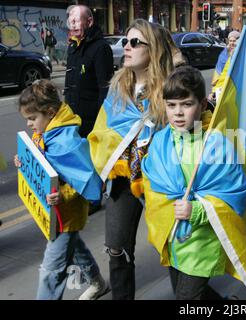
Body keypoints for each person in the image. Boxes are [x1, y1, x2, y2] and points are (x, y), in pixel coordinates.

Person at [141, 66, 246, 300]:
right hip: (172, 235)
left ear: (203, 105)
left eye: (186, 104)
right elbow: (153, 181)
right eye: (171, 105)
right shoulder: (161, 140)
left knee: (186, 298)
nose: (177, 113)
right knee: (187, 293)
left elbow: (236, 194)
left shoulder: (216, 145)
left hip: (203, 241)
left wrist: (197, 210)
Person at [88, 19, 174, 300]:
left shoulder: (170, 89)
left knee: (175, 247)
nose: (126, 46)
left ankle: (206, 300)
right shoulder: (117, 88)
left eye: (135, 42)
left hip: (159, 180)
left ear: (154, 50)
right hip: (123, 180)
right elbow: (101, 132)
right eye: (126, 41)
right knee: (116, 248)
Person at [14, 79, 107, 300]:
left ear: (51, 112)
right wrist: (25, 162)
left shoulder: (68, 143)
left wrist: (62, 195)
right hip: (56, 215)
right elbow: (43, 163)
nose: (29, 124)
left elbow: (85, 180)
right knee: (74, 248)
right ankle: (97, 283)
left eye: (32, 118)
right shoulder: (46, 130)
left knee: (51, 270)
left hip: (66, 213)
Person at [64, 5, 114, 138]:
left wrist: (100, 123)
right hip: (72, 119)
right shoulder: (73, 46)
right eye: (70, 22)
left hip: (91, 123)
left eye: (76, 21)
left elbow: (105, 89)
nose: (72, 26)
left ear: (89, 21)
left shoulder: (101, 48)